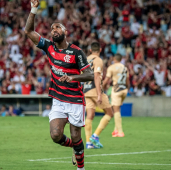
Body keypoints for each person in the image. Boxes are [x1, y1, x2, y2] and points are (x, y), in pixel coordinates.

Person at [24, 1, 94, 169]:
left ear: (65, 32)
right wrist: (34, 10)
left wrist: (72, 78)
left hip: (76, 100)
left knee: (76, 135)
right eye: (52, 28)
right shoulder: (48, 47)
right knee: (56, 135)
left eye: (58, 28)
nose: (54, 30)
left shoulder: (76, 52)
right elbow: (28, 31)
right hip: (59, 100)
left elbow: (90, 75)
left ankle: (80, 167)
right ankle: (75, 148)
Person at [83, 42, 114, 149]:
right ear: (100, 50)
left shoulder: (86, 59)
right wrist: (99, 94)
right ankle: (95, 136)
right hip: (95, 89)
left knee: (90, 115)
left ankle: (88, 143)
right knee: (109, 113)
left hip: (86, 90)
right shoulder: (98, 60)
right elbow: (96, 76)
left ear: (90, 50)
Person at [103, 54, 130, 137]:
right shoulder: (125, 68)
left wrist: (101, 87)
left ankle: (120, 132)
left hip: (116, 90)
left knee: (116, 109)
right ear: (121, 59)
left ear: (114, 59)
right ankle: (115, 130)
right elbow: (127, 80)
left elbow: (107, 79)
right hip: (124, 90)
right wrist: (127, 89)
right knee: (117, 109)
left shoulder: (111, 67)